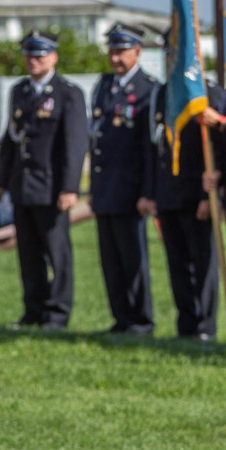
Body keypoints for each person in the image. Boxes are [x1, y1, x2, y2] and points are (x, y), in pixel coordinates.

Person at [0, 30, 88, 331]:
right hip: (23, 187)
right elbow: (10, 140)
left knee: (57, 255)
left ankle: (57, 314)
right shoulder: (20, 91)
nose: (34, 60)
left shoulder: (67, 93)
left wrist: (70, 187)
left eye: (41, 54)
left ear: (54, 57)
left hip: (51, 188)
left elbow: (74, 144)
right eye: (29, 54)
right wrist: (2, 181)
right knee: (28, 255)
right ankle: (32, 311)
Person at [140, 33, 223, 342]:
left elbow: (216, 150)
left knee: (203, 263)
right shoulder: (162, 95)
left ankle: (205, 326)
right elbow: (154, 147)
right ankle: (185, 324)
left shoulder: (208, 95)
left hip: (196, 195)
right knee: (176, 264)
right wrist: (152, 193)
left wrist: (208, 197)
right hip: (168, 194)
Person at [88, 24, 158, 335]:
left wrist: (147, 191)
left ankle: (141, 319)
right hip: (105, 189)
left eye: (122, 51)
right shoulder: (104, 86)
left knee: (133, 259)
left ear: (138, 51)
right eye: (112, 51)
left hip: (131, 190)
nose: (115, 57)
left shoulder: (148, 89)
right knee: (110, 260)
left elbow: (148, 148)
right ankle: (121, 317)